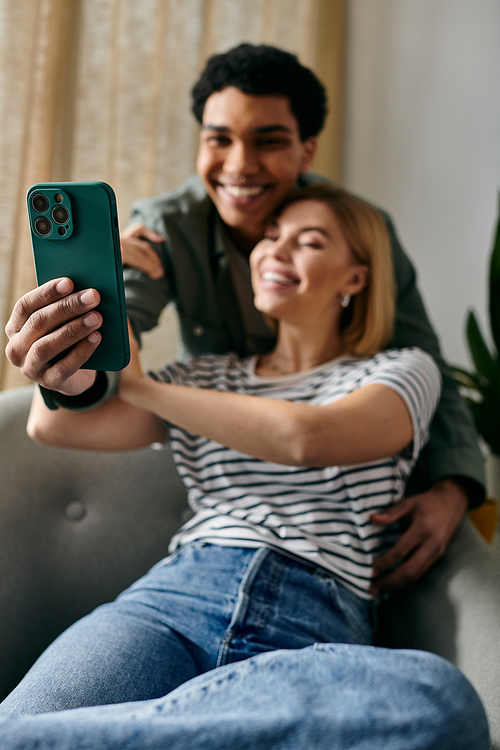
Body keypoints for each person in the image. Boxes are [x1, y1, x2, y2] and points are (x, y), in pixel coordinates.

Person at [0, 185, 489, 749]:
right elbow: (55, 425)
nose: (275, 251)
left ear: (355, 278)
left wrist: (140, 388)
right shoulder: (202, 378)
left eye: (308, 241)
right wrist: (108, 294)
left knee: (437, 702)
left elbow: (309, 437)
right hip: (169, 605)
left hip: (315, 623)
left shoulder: (402, 370)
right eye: (270, 237)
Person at [5, 43, 484, 593]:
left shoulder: (359, 234)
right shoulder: (167, 227)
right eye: (219, 139)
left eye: (268, 141)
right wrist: (68, 348)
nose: (239, 165)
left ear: (307, 152)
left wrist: (454, 489)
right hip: (218, 493)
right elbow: (107, 350)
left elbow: (418, 366)